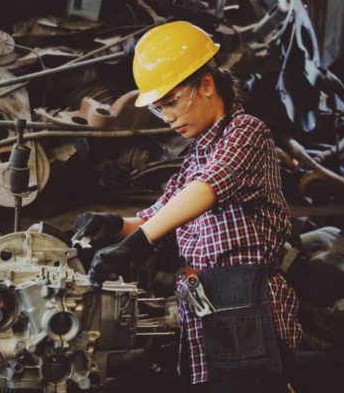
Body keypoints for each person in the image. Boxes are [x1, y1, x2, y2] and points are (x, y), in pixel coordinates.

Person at [72, 21, 302, 393]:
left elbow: (208, 188)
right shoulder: (197, 156)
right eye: (159, 108)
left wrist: (138, 242)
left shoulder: (247, 132)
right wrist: (113, 224)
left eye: (172, 101)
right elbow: (156, 216)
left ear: (207, 85)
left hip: (247, 309)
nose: (167, 117)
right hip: (204, 309)